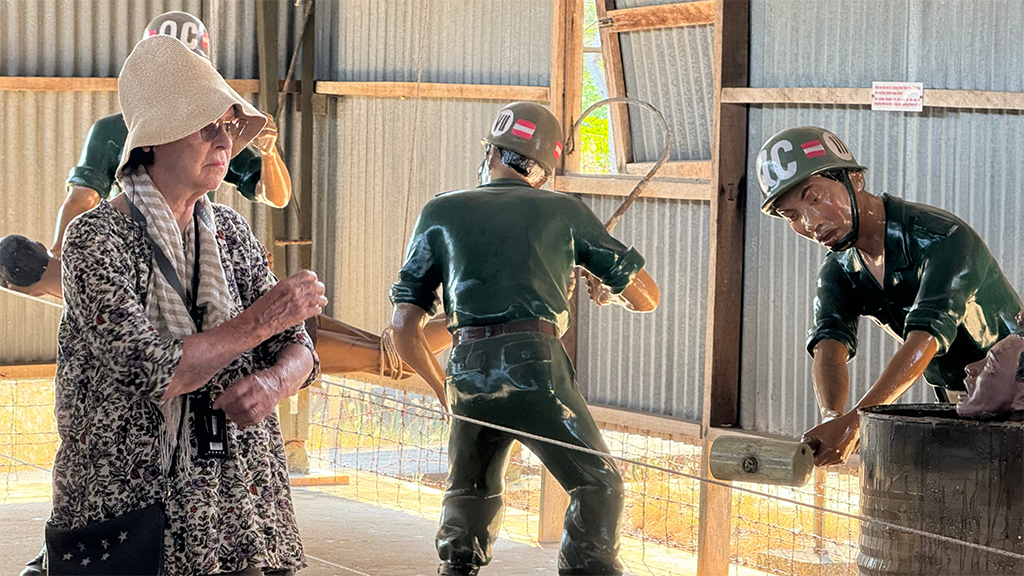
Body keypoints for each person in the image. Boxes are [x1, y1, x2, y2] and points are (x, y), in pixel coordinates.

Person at [45, 35, 324, 576]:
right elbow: (152, 370)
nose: (224, 141)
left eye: (227, 126)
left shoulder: (230, 233)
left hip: (240, 511)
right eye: (206, 127)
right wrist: (262, 320)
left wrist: (274, 382)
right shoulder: (96, 239)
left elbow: (300, 349)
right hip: (136, 517)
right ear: (153, 141)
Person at [390, 102, 660, 576]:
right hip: (536, 367)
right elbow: (647, 297)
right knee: (598, 484)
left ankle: (457, 568)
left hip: (467, 370)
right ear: (544, 170)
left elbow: (403, 328)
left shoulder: (441, 210)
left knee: (469, 491)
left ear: (493, 153)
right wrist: (609, 293)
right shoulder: (564, 210)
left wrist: (443, 389)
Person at [755, 125, 1022, 466]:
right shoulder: (840, 268)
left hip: (1016, 392)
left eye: (815, 198)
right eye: (790, 216)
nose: (809, 223)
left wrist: (856, 422)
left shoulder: (943, 239)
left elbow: (925, 338)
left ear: (855, 180)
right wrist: (831, 416)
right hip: (958, 398)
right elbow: (829, 345)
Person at [2, 11, 291, 302]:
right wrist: (64, 260)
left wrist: (268, 153)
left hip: (194, 242)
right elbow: (83, 199)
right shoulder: (111, 142)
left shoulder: (229, 226)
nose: (224, 141)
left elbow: (275, 196)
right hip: (136, 246)